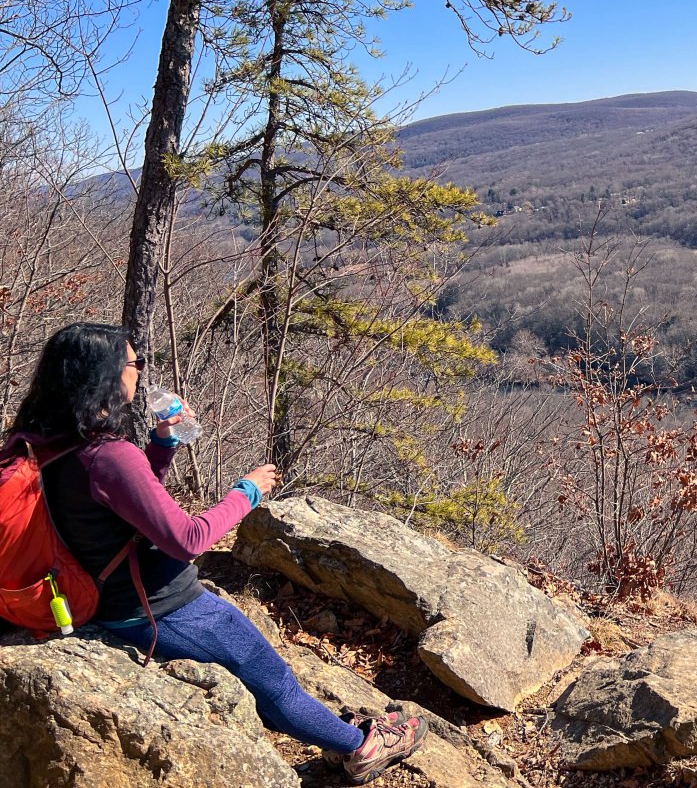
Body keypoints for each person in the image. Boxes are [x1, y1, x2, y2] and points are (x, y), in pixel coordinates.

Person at [4, 322, 426, 785]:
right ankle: (362, 747)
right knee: (276, 683)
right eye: (134, 363)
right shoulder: (108, 455)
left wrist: (161, 444)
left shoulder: (38, 442)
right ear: (104, 375)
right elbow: (186, 538)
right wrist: (246, 493)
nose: (140, 373)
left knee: (267, 680)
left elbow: (117, 508)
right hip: (161, 608)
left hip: (96, 597)